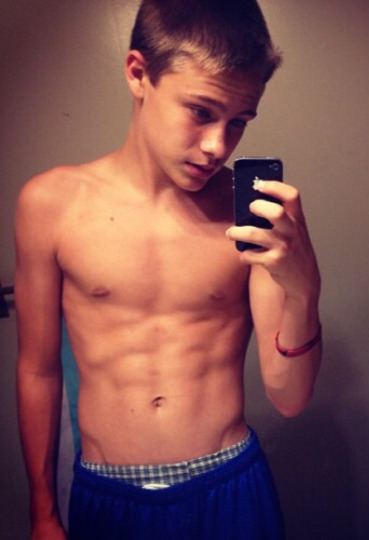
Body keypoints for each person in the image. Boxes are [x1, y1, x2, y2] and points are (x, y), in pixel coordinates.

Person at [15, 0, 322, 538]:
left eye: (238, 122)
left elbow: (289, 398)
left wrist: (303, 289)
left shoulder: (250, 215)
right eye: (201, 111)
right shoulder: (51, 205)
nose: (217, 146)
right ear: (139, 73)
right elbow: (38, 370)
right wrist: (42, 511)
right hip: (108, 493)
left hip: (229, 485)